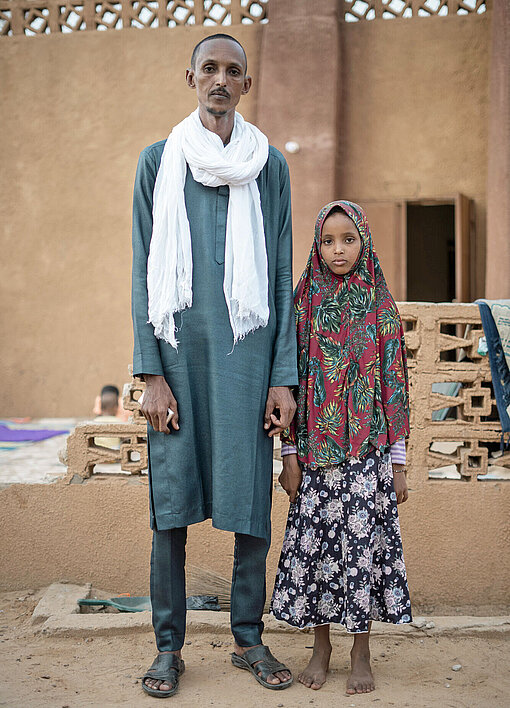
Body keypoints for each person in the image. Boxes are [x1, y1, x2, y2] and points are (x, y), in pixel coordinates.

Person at [131, 34, 297, 697]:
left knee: (250, 502)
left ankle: (247, 639)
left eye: (233, 71)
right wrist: (151, 373)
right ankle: (168, 649)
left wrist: (282, 376)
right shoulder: (157, 162)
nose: (220, 80)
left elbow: (281, 278)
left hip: (248, 363)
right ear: (191, 79)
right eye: (210, 69)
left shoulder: (271, 166)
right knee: (171, 507)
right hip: (176, 359)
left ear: (246, 85)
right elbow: (143, 272)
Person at [271, 201, 411, 695]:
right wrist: (287, 454)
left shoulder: (379, 304)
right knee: (319, 555)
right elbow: (285, 383)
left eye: (348, 239)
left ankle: (361, 650)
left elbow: (394, 384)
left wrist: (397, 463)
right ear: (317, 244)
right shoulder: (303, 301)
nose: (337, 250)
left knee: (360, 554)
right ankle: (321, 646)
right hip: (313, 455)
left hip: (367, 456)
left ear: (364, 242)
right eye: (328, 241)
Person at [93, 385, 122, 449]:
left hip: (97, 450)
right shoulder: (118, 422)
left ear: (100, 407)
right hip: (113, 451)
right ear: (116, 407)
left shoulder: (94, 421)